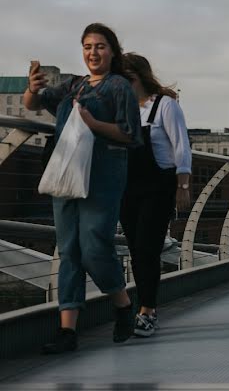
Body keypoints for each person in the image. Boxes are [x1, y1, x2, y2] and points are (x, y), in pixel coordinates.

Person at [22, 23, 141, 353]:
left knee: (93, 246)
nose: (93, 52)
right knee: (69, 250)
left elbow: (131, 135)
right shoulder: (74, 85)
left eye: (100, 46)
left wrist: (94, 124)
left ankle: (121, 304)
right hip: (66, 174)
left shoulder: (119, 87)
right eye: (88, 46)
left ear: (112, 51)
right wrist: (31, 87)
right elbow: (33, 104)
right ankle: (67, 331)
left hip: (102, 177)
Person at [119, 53, 192, 338]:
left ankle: (147, 311)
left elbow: (181, 147)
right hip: (128, 187)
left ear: (140, 77)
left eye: (128, 77)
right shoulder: (122, 109)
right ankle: (140, 307)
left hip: (158, 186)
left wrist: (182, 186)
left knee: (148, 248)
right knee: (136, 250)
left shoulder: (165, 106)